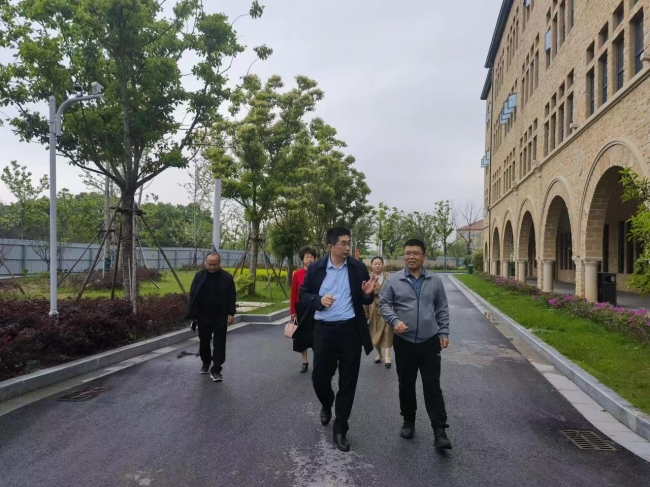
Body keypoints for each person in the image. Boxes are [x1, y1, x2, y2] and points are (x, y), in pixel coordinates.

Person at [300, 227, 378, 452]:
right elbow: (304, 295)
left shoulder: (356, 267)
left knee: (348, 381)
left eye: (349, 243)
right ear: (330, 246)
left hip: (350, 331)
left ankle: (341, 428)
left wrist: (367, 293)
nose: (347, 247)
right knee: (319, 378)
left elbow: (364, 298)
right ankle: (327, 402)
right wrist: (318, 300)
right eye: (343, 243)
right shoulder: (316, 268)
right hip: (323, 331)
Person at [379, 238, 452, 450]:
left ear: (424, 257)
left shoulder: (435, 281)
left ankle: (440, 430)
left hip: (430, 342)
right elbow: (384, 304)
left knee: (432, 386)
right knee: (406, 384)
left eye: (415, 253)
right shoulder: (394, 281)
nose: (411, 257)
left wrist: (443, 332)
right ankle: (408, 420)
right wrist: (395, 321)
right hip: (405, 342)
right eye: (407, 253)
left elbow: (442, 308)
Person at [187, 252, 237, 382]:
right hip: (203, 315)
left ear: (219, 263)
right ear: (205, 262)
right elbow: (193, 294)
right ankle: (206, 362)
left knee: (220, 343)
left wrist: (231, 313)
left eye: (215, 264)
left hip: (220, 315)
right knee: (204, 341)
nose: (212, 267)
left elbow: (232, 295)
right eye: (209, 264)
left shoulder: (226, 277)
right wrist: (192, 313)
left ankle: (216, 369)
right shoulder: (199, 276)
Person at [289, 247, 318, 373]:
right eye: (307, 257)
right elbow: (293, 293)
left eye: (312, 257)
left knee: (316, 335)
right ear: (302, 259)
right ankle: (304, 361)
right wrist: (292, 312)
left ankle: (317, 361)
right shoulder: (297, 274)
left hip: (315, 307)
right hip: (300, 307)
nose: (310, 259)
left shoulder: (318, 273)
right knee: (302, 336)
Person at [364, 256, 393, 368]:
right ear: (371, 265)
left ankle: (387, 356)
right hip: (372, 306)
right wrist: (365, 313)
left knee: (388, 331)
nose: (377, 265)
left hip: (387, 306)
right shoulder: (367, 278)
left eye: (379, 263)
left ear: (383, 265)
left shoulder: (389, 277)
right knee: (374, 331)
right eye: (375, 263)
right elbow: (364, 296)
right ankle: (379, 354)